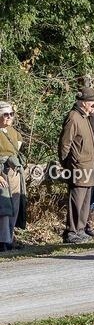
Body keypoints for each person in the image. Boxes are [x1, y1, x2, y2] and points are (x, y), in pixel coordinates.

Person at [58, 87, 94, 243]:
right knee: (76, 201)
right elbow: (64, 144)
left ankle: (81, 230)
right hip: (78, 168)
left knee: (85, 201)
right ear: (84, 103)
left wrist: (93, 115)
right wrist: (68, 165)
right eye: (92, 102)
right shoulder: (73, 117)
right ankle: (71, 232)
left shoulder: (85, 117)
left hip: (89, 167)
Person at [0, 102, 25, 251]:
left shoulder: (13, 132)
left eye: (11, 114)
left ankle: (9, 238)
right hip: (2, 174)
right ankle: (2, 241)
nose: (9, 117)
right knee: (3, 208)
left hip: (14, 172)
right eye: (5, 114)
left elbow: (18, 146)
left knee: (14, 206)